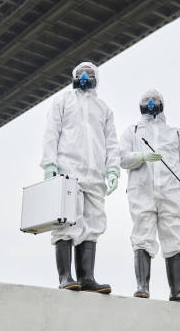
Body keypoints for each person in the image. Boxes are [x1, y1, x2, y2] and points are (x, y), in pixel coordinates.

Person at [41, 61, 120, 294]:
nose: (85, 76)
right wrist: (49, 163)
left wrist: (113, 169)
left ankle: (87, 278)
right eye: (80, 73)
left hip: (95, 173)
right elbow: (51, 133)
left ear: (96, 77)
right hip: (68, 168)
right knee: (66, 220)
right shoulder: (63, 101)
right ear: (74, 76)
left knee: (93, 223)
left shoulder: (104, 108)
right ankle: (66, 276)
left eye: (89, 73)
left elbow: (111, 143)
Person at [120, 89, 180, 303]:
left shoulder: (175, 133)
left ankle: (177, 290)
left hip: (170, 192)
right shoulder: (132, 131)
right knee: (142, 235)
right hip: (141, 191)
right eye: (146, 99)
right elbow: (122, 158)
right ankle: (142, 287)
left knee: (173, 236)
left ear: (162, 104)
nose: (151, 102)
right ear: (140, 104)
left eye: (155, 100)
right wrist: (141, 156)